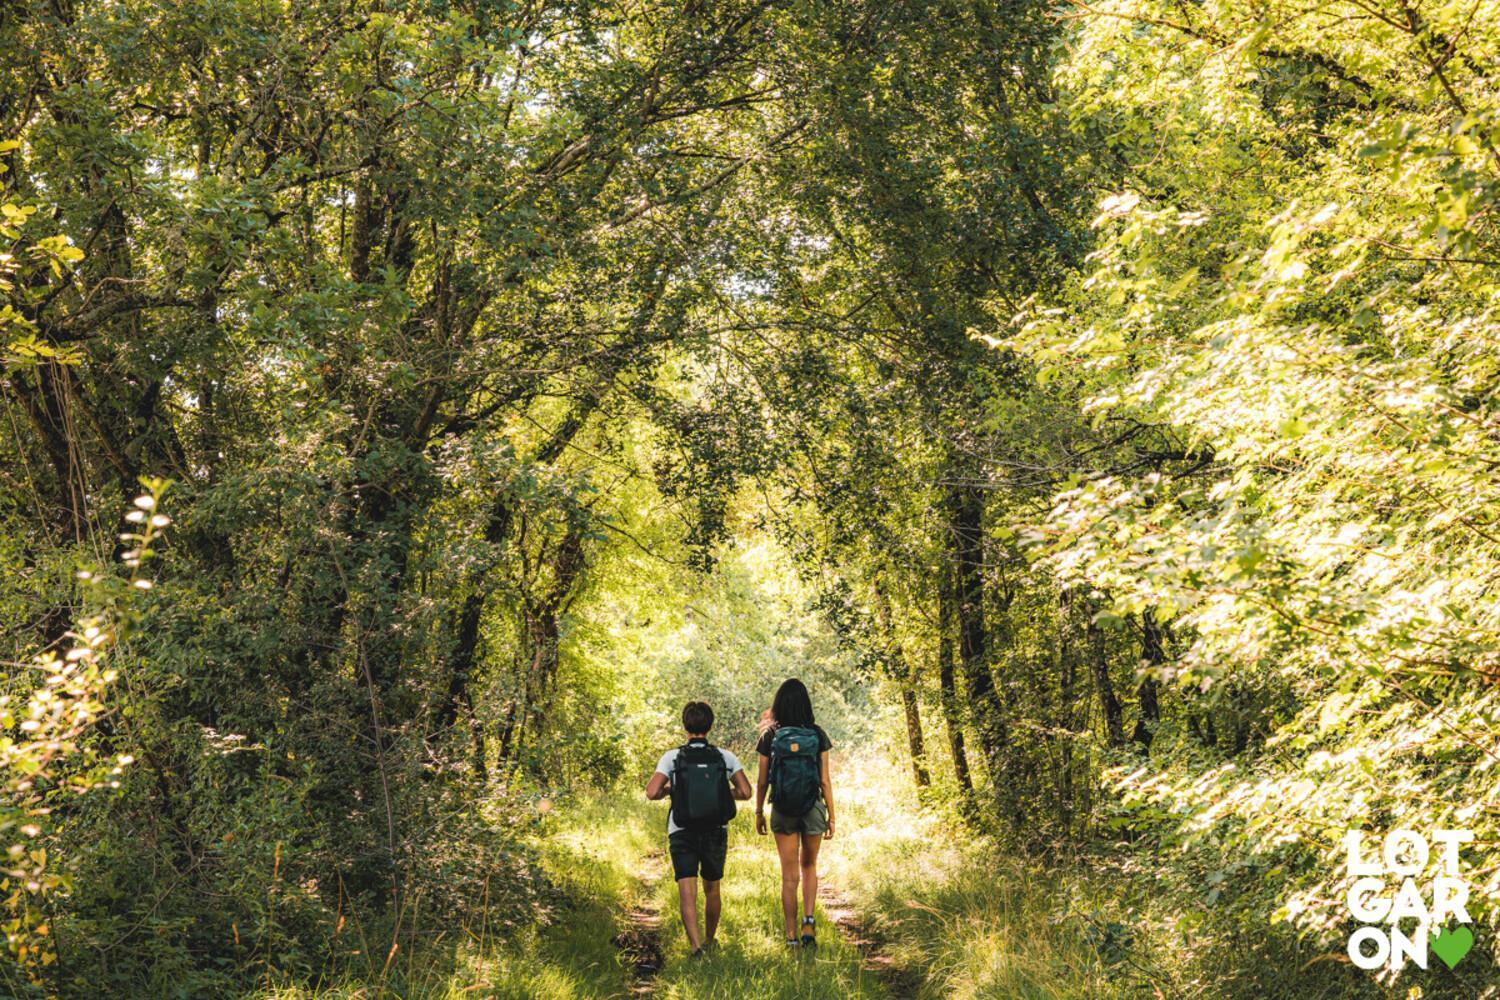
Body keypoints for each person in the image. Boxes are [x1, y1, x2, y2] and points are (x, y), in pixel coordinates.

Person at [645, 700, 753, 956]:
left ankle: (695, 947)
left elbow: (651, 792)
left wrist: (673, 789)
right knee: (713, 887)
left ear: (685, 725)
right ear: (710, 725)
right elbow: (746, 792)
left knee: (687, 888)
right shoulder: (725, 757)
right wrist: (719, 793)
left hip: (681, 829)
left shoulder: (672, 757)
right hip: (715, 828)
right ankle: (709, 939)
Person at [754, 678, 836, 949]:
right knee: (809, 866)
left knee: (789, 875)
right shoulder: (817, 734)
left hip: (783, 809)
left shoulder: (770, 736)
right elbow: (824, 780)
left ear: (779, 704)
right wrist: (831, 816)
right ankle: (808, 923)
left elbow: (763, 780)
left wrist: (759, 811)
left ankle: (790, 937)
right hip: (812, 808)